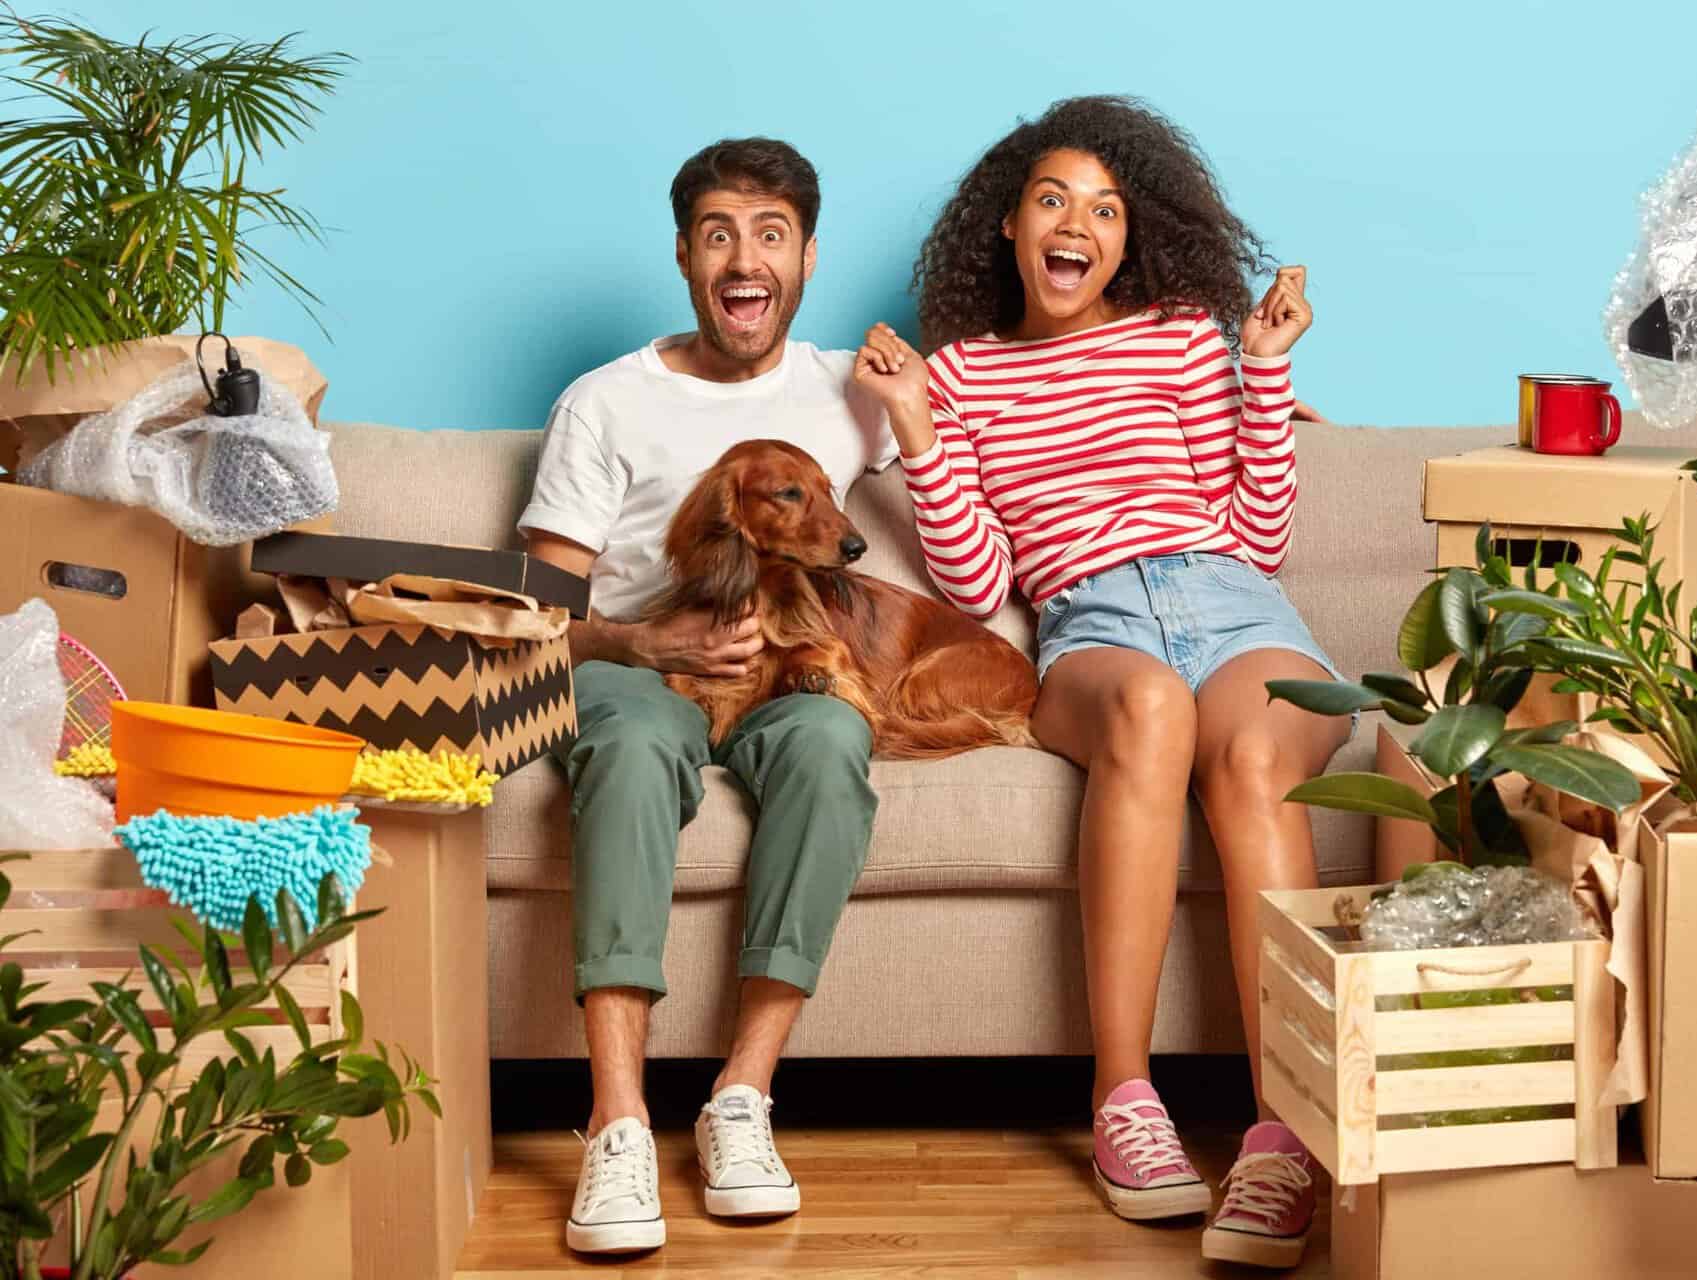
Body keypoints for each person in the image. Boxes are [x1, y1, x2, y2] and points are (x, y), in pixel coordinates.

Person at [853, 95, 1342, 1270]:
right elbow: (979, 580)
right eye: (1054, 200)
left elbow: (1257, 534)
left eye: (1107, 209)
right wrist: (919, 428)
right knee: (1149, 706)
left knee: (1258, 747)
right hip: (1091, 623)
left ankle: (1285, 1132)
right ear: (1011, 230)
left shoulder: (1181, 337)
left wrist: (1262, 370)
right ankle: (1124, 1099)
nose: (1080, 224)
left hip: (1231, 598)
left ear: (1131, 241)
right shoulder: (963, 373)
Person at [520, 137, 896, 1256]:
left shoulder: (847, 393)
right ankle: (620, 1121)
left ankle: (741, 1096)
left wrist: (1249, 403)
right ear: (686, 254)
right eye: (721, 232)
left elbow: (984, 460)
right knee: (630, 754)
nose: (746, 258)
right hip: (642, 671)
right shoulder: (605, 401)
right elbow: (540, 611)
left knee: (833, 740)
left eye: (771, 234)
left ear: (808, 258)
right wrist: (640, 637)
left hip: (783, 676)